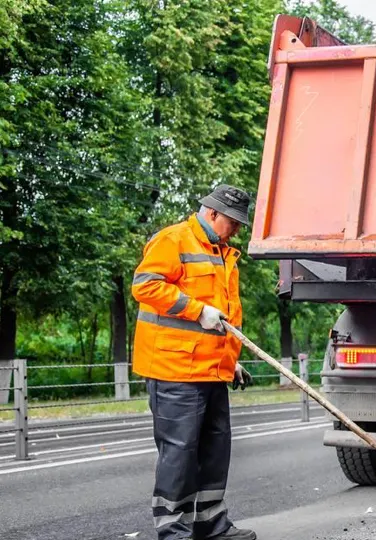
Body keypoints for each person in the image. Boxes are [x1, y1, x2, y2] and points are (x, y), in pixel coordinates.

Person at [131, 185, 256, 540]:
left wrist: (230, 360)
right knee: (180, 454)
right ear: (212, 212)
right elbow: (145, 286)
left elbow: (225, 318)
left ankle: (210, 523)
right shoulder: (174, 240)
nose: (236, 229)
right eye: (232, 222)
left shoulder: (223, 252)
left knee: (215, 451)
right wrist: (196, 310)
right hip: (173, 372)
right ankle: (174, 530)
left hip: (210, 370)